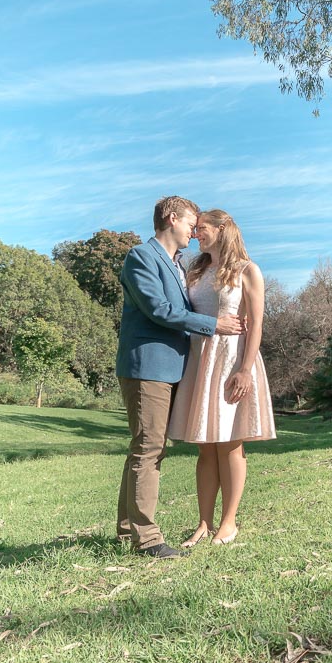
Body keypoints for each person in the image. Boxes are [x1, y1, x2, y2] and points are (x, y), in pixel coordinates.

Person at [116, 196, 244, 559]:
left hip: (171, 368)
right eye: (191, 223)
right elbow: (158, 309)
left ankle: (128, 530)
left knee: (145, 446)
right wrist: (213, 325)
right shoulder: (141, 257)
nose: (194, 230)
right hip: (148, 367)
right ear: (172, 219)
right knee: (149, 449)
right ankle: (148, 539)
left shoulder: (178, 264)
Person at [167, 208, 275, 547]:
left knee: (230, 443)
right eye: (195, 229)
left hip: (231, 359)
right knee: (205, 447)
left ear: (223, 228)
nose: (197, 234)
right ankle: (203, 522)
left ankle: (229, 522)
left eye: (202, 228)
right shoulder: (195, 270)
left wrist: (245, 369)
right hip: (200, 359)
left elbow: (255, 323)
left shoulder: (248, 270)